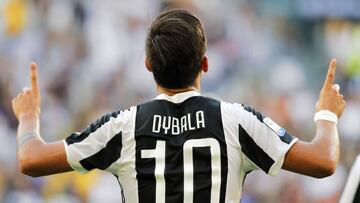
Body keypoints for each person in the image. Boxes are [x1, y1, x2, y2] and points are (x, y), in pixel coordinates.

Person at [11, 9, 345, 203]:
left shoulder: (122, 127)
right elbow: (323, 161)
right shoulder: (236, 120)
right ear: (205, 64)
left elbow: (31, 159)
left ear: (147, 65)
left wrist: (28, 117)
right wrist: (326, 114)